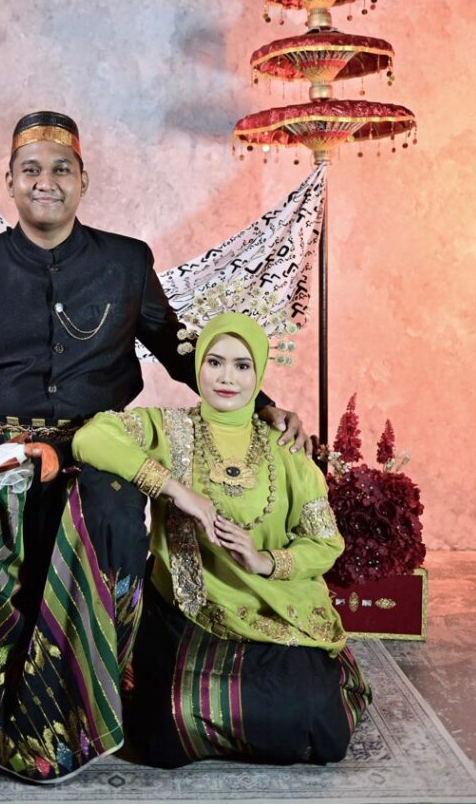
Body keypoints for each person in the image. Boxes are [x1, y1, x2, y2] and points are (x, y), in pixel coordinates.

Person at [0, 111, 310, 777]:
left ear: (83, 180)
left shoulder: (125, 262)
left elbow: (179, 349)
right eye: (31, 170)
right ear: (9, 180)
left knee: (116, 522)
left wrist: (262, 404)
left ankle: (86, 711)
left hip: (95, 452)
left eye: (61, 169)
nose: (46, 182)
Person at [72, 312, 372, 767]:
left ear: (259, 373)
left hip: (275, 606)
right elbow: (91, 438)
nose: (226, 378)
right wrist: (174, 490)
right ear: (197, 368)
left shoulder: (286, 448)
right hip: (190, 609)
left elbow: (326, 543)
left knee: (313, 718)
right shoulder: (169, 428)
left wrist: (265, 561)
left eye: (242, 365)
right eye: (214, 362)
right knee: (165, 731)